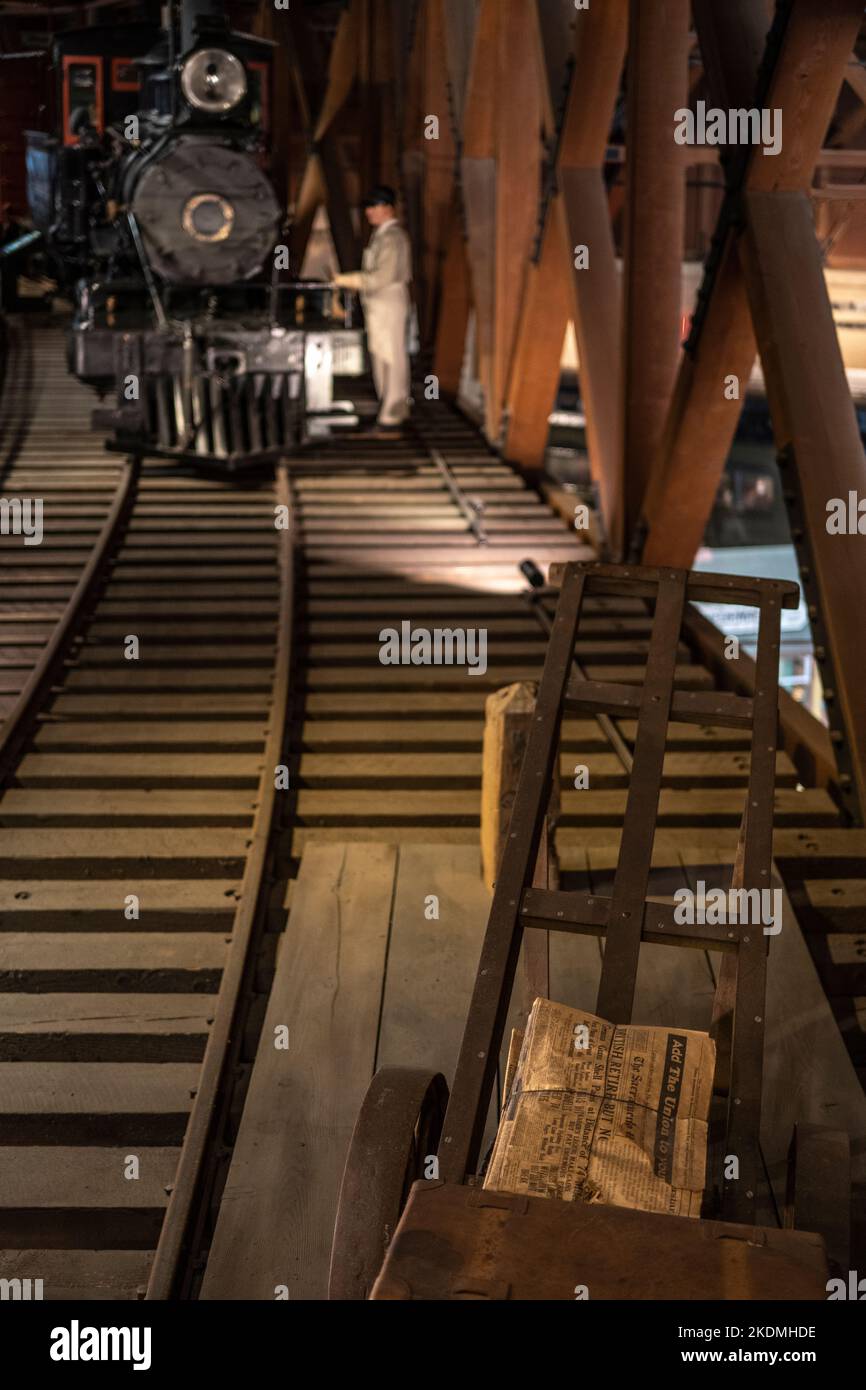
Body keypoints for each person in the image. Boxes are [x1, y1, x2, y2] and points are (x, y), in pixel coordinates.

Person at [334, 185, 412, 435]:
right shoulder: (383, 236)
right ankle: (388, 411)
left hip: (387, 302)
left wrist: (346, 280)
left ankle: (393, 415)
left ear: (387, 208)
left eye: (373, 206)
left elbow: (380, 277)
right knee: (383, 358)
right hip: (380, 305)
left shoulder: (392, 238)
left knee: (391, 359)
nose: (368, 212)